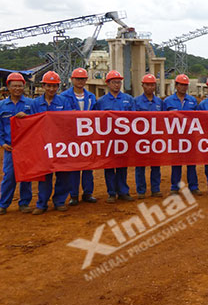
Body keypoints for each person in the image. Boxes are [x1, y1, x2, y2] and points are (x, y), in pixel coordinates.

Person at [30, 71, 73, 214]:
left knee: (63, 174)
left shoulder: (63, 102)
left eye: (54, 86)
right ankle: (41, 204)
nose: (51, 89)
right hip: (43, 144)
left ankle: (60, 201)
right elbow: (30, 123)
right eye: (49, 86)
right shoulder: (35, 103)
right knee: (44, 175)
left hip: (60, 144)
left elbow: (69, 122)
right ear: (43, 86)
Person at [0, 72, 34, 215]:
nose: (17, 88)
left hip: (27, 147)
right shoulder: (1, 106)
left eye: (20, 86)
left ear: (24, 87)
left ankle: (24, 203)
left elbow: (37, 122)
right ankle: (3, 204)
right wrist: (2, 143)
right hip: (10, 147)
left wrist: (28, 117)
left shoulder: (31, 104)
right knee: (9, 176)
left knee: (26, 176)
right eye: (14, 86)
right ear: (8, 87)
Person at [95, 70, 135, 203]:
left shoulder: (128, 99)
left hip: (124, 140)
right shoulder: (101, 102)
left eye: (119, 82)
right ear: (108, 84)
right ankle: (111, 193)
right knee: (110, 166)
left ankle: (123, 191)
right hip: (108, 140)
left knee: (122, 167)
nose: (117, 85)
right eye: (114, 82)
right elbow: (95, 120)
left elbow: (134, 119)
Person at [60, 67, 98, 205]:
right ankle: (74, 195)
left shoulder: (91, 97)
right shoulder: (64, 97)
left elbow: (96, 115)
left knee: (88, 167)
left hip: (87, 137)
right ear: (72, 80)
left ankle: (88, 193)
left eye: (83, 79)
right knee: (74, 167)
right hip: (72, 137)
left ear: (86, 80)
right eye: (78, 79)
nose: (80, 81)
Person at [163, 74, 201, 195]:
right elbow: (162, 119)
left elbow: (199, 118)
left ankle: (193, 187)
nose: (183, 87)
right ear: (176, 85)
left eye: (185, 85)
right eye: (181, 85)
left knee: (191, 163)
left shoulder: (192, 101)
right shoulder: (168, 101)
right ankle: (175, 187)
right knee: (176, 163)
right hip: (175, 137)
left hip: (190, 137)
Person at [133, 73, 163, 199]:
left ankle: (155, 189)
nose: (150, 87)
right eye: (147, 85)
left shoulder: (160, 103)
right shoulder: (136, 102)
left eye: (152, 85)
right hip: (141, 140)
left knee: (156, 166)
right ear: (142, 86)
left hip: (155, 140)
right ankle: (141, 191)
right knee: (140, 166)